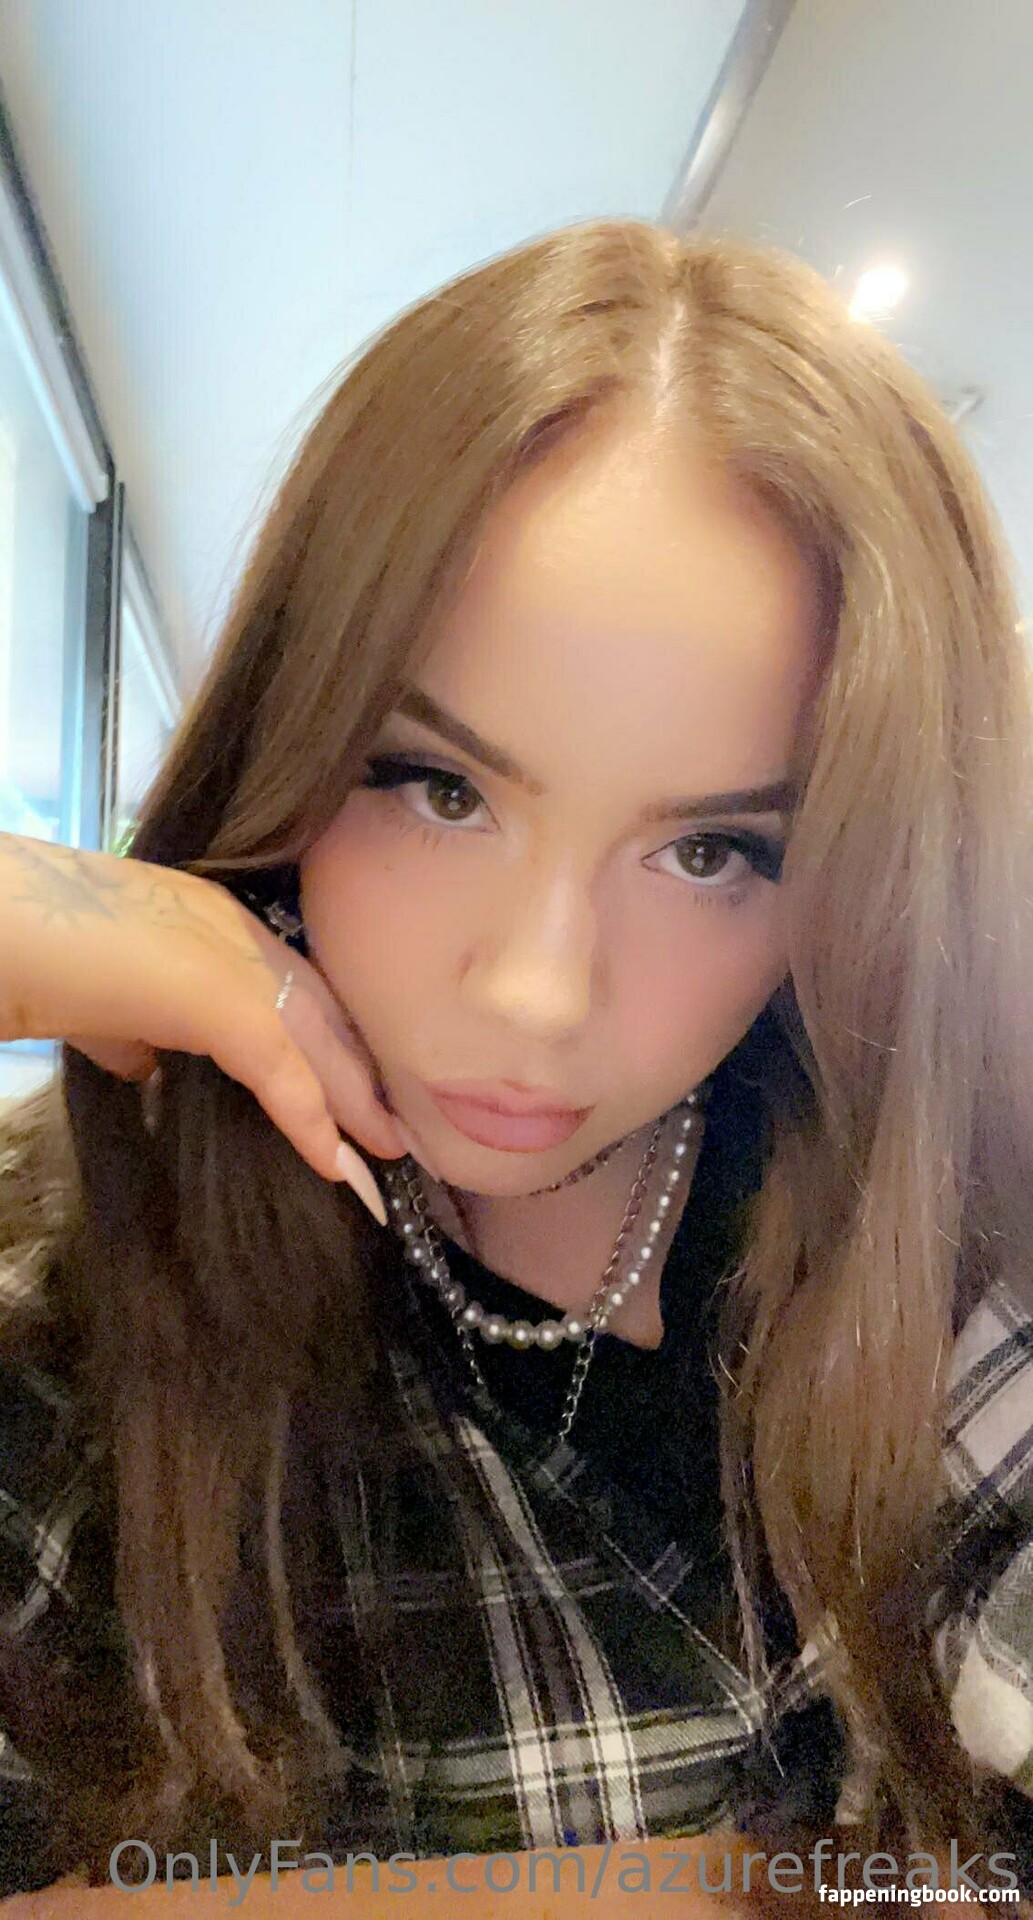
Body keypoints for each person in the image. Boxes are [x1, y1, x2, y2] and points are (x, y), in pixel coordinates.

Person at [0, 216, 1030, 1904]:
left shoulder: (942, 1245)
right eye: (438, 787)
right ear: (289, 734)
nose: (541, 991)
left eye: (710, 851)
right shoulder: (71, 1306)